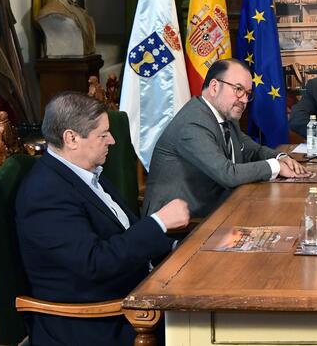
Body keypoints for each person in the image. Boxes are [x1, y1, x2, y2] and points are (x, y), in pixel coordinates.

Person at [15, 92, 190, 345]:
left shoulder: (85, 172)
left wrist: (176, 247)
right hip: (95, 322)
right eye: (103, 134)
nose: (112, 140)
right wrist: (159, 223)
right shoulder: (45, 193)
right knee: (209, 325)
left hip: (134, 295)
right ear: (71, 138)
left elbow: (123, 234)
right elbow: (94, 263)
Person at [143, 58, 310, 218]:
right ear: (214, 87)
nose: (244, 100)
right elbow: (227, 174)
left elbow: (254, 150)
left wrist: (281, 157)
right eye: (238, 89)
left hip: (215, 206)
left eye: (248, 93)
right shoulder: (193, 123)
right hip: (177, 223)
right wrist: (276, 166)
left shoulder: (226, 117)